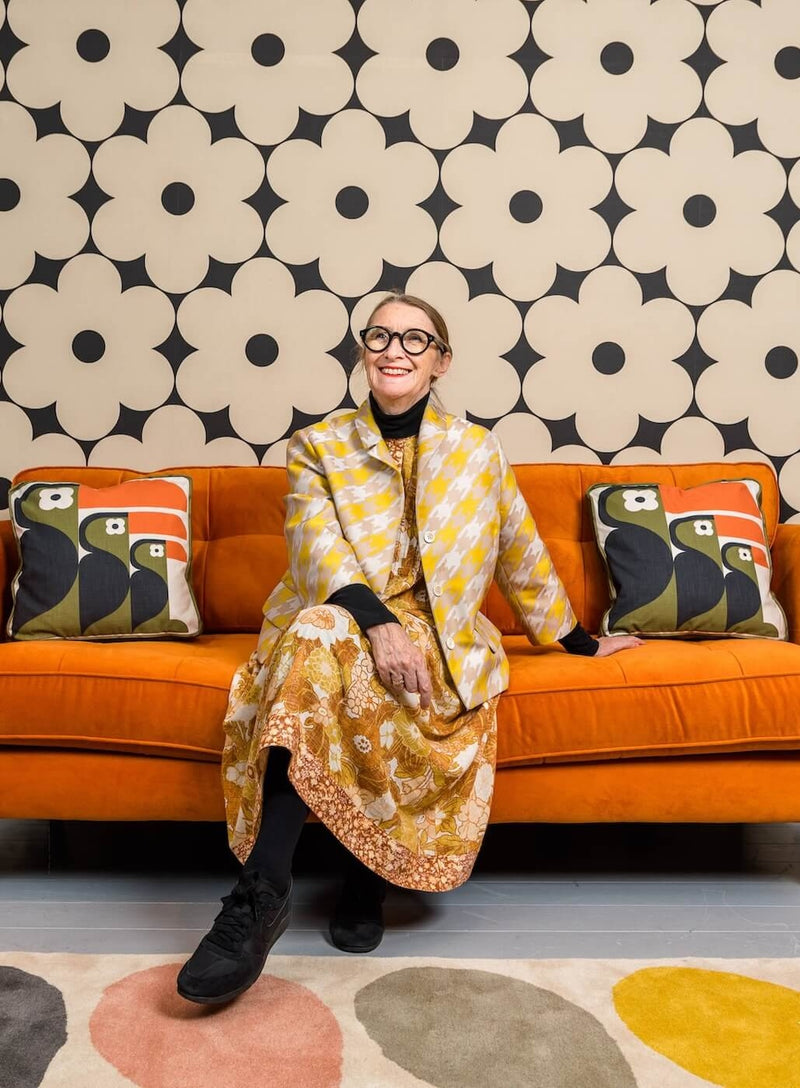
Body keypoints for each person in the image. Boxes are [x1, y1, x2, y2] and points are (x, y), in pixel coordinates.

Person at [176, 291, 642, 1004]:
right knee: (324, 640)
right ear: (364, 352)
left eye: (414, 340)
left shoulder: (477, 450)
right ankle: (260, 895)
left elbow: (519, 550)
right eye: (380, 336)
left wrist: (578, 640)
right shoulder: (318, 446)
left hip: (440, 628)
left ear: (440, 362)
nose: (394, 349)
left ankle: (365, 879)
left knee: (384, 672)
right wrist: (374, 621)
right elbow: (314, 548)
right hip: (333, 611)